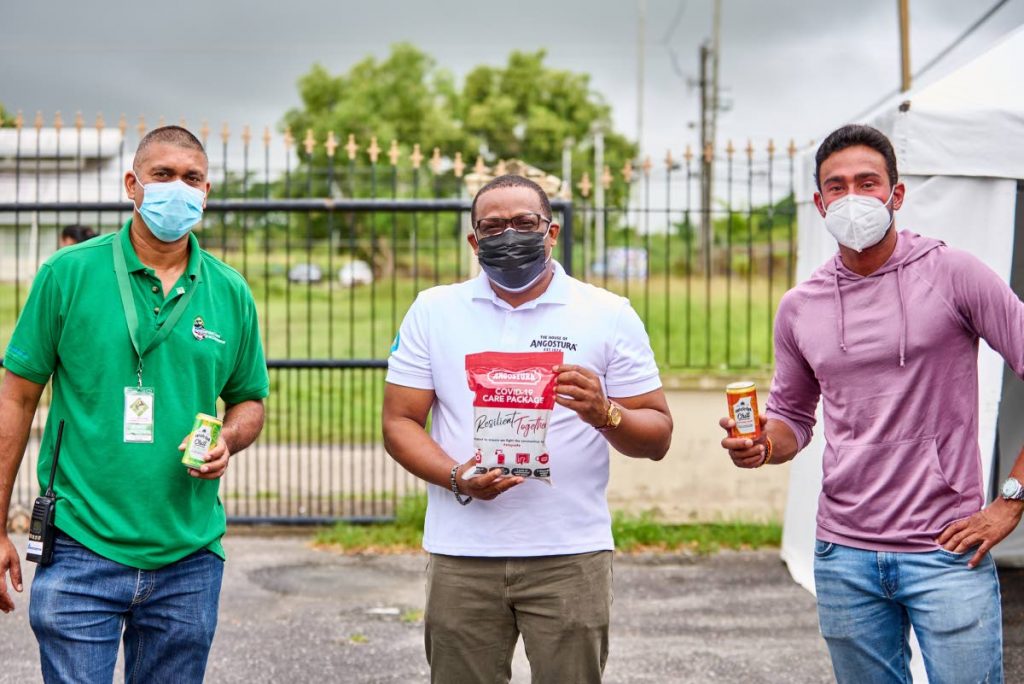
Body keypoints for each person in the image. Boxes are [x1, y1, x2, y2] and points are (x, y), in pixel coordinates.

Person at [719, 124, 1024, 683]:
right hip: (844, 554)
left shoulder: (953, 273)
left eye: (868, 182)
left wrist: (1011, 499)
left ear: (896, 194)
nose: (852, 197)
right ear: (819, 203)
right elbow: (792, 419)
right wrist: (763, 443)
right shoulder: (799, 307)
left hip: (947, 549)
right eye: (837, 187)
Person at [0, 125, 269, 682]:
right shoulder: (68, 274)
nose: (178, 188)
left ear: (207, 192)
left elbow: (248, 399)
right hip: (79, 548)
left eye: (191, 178)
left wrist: (229, 438)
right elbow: (16, 397)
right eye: (162, 175)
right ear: (133, 184)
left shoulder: (230, 290)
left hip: (188, 556)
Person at [383, 174, 673, 683]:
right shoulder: (435, 310)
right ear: (474, 242)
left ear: (551, 232)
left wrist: (605, 412)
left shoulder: (607, 313)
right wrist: (456, 477)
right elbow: (399, 421)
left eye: (524, 223)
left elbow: (658, 434)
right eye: (492, 228)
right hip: (462, 552)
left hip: (570, 553)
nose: (508, 236)